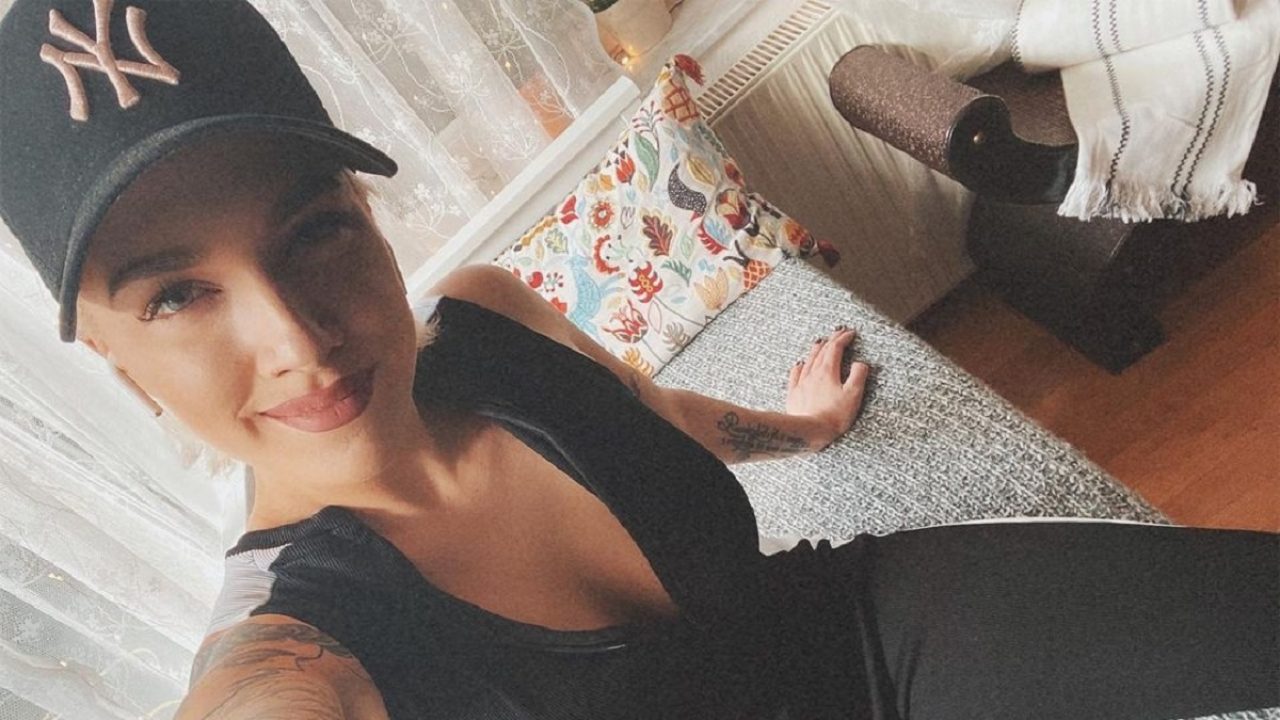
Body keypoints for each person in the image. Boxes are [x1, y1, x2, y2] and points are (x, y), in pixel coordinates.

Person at [1, 1, 1275, 719]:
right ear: (115, 362)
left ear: (367, 214)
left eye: (313, 232)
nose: (295, 337)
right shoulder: (295, 642)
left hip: (857, 635)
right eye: (178, 294)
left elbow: (646, 410)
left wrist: (803, 431)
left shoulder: (490, 314)